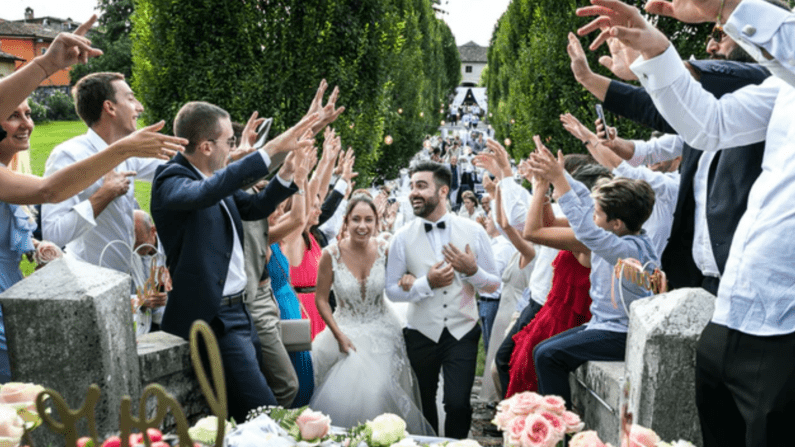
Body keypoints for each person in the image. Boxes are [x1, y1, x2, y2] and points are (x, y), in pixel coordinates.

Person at [576, 0, 795, 444]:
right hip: (732, 314)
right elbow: (707, 125)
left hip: (786, 332)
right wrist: (657, 53)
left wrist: (728, 6)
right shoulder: (783, 89)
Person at [151, 100, 317, 421]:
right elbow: (204, 193)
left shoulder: (214, 176)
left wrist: (286, 174)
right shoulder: (170, 179)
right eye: (229, 141)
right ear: (205, 145)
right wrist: (268, 151)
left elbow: (255, 208)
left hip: (242, 312)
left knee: (243, 415)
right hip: (215, 320)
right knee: (262, 412)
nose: (232, 148)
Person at [528, 137, 658, 409]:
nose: (592, 218)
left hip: (620, 334)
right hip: (604, 326)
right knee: (541, 350)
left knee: (547, 356)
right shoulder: (622, 237)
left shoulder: (626, 251)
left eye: (598, 216)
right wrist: (559, 173)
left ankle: (559, 428)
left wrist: (559, 180)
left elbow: (586, 229)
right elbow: (587, 208)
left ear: (616, 224)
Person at [386, 160, 500, 438]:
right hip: (420, 332)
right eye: (412, 186)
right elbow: (391, 290)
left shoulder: (474, 231)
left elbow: (494, 285)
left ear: (443, 191)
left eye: (421, 186)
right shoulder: (401, 238)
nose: (414, 192)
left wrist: (471, 271)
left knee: (458, 403)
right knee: (424, 402)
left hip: (463, 330)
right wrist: (427, 283)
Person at [311, 196, 433, 434]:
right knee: (344, 395)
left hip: (383, 330)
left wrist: (408, 277)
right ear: (346, 222)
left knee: (378, 392)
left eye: (368, 219)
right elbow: (321, 299)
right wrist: (338, 334)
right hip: (345, 331)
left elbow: (407, 275)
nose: (362, 226)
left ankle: (384, 436)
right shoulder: (330, 254)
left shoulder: (386, 250)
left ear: (377, 222)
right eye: (356, 219)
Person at [42, 71, 174, 274]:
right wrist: (104, 195)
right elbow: (53, 234)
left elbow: (174, 169)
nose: (140, 107)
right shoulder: (68, 155)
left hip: (129, 279)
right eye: (130, 99)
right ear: (110, 107)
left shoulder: (128, 151)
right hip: (90, 281)